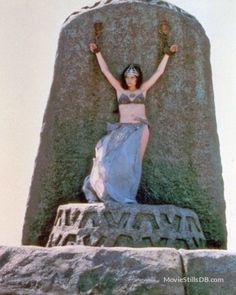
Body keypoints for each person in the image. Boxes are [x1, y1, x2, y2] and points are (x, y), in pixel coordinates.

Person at [82, 42, 178, 204]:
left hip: (140, 130)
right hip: (121, 129)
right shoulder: (120, 90)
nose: (129, 80)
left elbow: (159, 73)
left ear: (138, 77)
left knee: (133, 163)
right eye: (127, 76)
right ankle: (111, 193)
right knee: (105, 158)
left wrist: (168, 54)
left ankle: (128, 195)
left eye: (132, 77)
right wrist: (97, 51)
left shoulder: (143, 90)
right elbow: (106, 72)